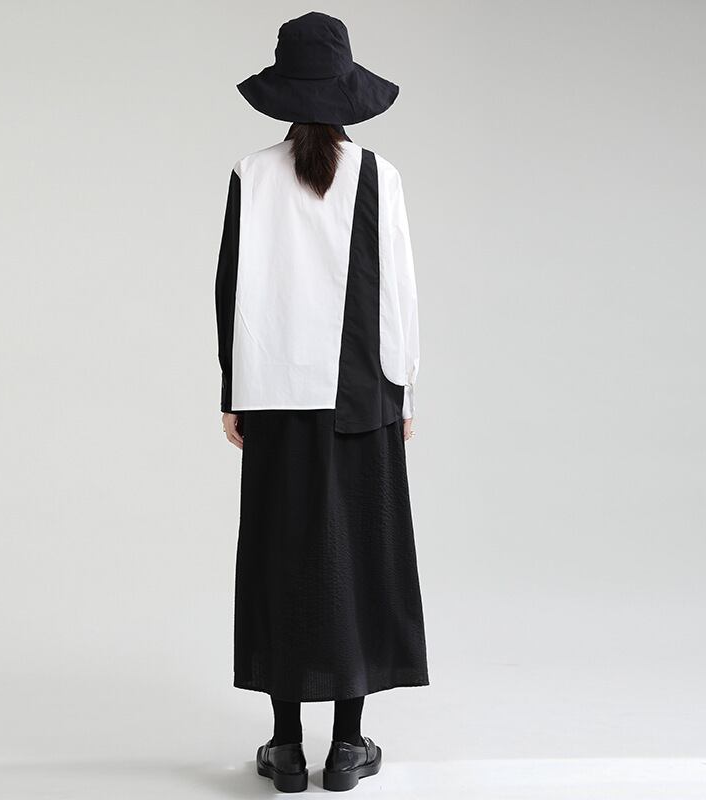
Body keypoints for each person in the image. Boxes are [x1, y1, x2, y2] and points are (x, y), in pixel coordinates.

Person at [215, 11, 429, 793]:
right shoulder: (378, 174)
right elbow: (398, 292)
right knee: (358, 560)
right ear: (346, 92)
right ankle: (346, 745)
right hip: (361, 395)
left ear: (283, 92)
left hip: (274, 396)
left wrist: (234, 392)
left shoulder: (251, 173)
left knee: (283, 557)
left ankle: (283, 747)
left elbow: (232, 290)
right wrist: (405, 386)